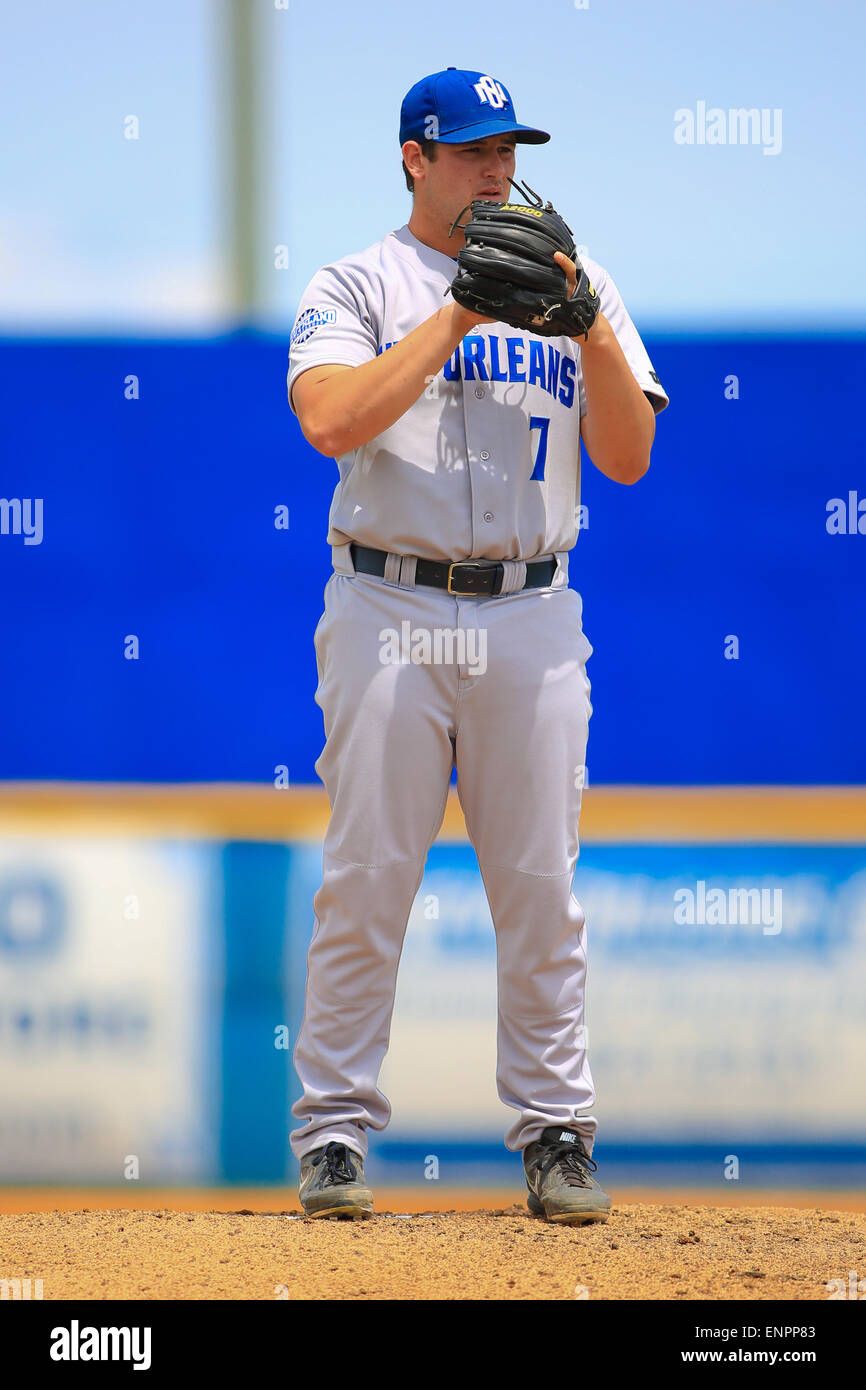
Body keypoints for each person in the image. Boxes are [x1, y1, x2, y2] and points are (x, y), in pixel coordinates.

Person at [286, 67, 669, 1223]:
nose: (497, 169)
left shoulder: (575, 274)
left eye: (508, 150)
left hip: (531, 606)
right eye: (472, 152)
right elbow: (327, 420)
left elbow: (627, 455)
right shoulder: (356, 280)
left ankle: (556, 1130)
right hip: (386, 602)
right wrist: (454, 313)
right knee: (366, 878)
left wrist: (587, 320)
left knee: (540, 885)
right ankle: (335, 1136)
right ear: (415, 157)